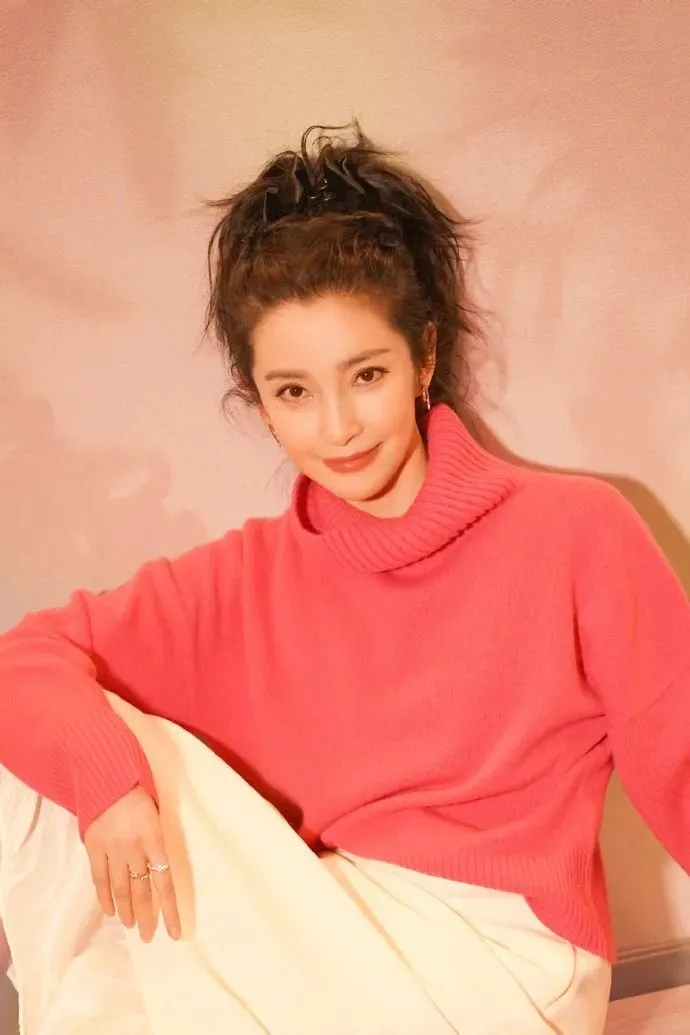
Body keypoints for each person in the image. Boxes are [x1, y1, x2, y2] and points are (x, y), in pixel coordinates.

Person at [0, 124, 688, 1035]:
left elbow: (681, 753)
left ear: (424, 357)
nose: (338, 427)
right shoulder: (247, 576)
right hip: (337, 929)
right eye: (294, 391)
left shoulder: (574, 528)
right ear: (258, 398)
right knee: (45, 752)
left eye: (365, 375)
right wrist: (107, 785)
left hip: (505, 961)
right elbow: (21, 659)